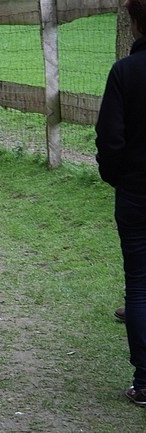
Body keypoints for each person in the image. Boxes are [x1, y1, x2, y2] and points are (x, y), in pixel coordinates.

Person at [95, 0, 146, 407]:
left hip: (137, 193)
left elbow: (109, 139)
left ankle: (145, 382)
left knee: (140, 288)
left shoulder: (125, 72)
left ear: (135, 22)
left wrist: (121, 180)